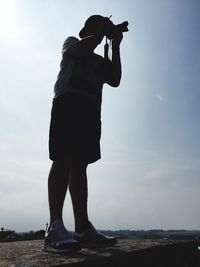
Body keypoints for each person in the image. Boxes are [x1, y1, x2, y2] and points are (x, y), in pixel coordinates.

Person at [43, 15, 124, 253]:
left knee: (80, 166)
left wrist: (116, 45)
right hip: (68, 103)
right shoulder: (72, 43)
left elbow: (115, 79)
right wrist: (102, 33)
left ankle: (82, 228)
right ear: (87, 29)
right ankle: (54, 227)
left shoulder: (98, 60)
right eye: (96, 24)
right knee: (63, 158)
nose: (101, 28)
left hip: (89, 111)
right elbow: (81, 50)